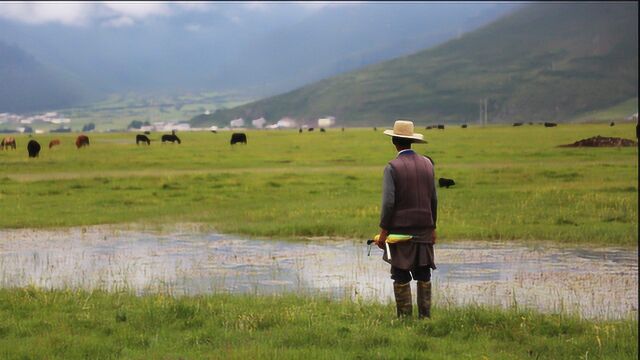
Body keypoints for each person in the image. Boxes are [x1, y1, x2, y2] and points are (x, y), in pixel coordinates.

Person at [375, 119, 437, 319]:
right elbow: (433, 199)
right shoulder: (428, 164)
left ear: (394, 141)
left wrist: (383, 233)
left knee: (400, 274)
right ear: (411, 142)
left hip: (400, 232)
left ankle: (404, 319)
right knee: (423, 274)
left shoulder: (392, 167)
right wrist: (433, 228)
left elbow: (388, 204)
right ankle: (425, 318)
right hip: (425, 229)